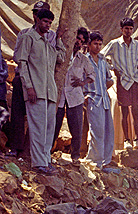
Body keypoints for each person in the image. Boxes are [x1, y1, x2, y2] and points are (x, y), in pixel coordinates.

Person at [16, 7, 65, 174]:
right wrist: (29, 87)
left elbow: (61, 57)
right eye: (45, 21)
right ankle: (38, 164)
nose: (47, 25)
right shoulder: (28, 38)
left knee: (49, 128)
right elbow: (22, 63)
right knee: (38, 127)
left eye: (50, 23)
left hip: (50, 92)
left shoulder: (46, 42)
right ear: (38, 20)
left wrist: (58, 39)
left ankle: (46, 161)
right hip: (35, 91)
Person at [9, 1, 56, 158]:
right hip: (23, 77)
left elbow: (54, 57)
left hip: (42, 80)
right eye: (37, 12)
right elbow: (18, 57)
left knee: (40, 118)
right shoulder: (25, 34)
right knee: (17, 112)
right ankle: (15, 147)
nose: (38, 15)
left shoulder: (52, 35)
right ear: (35, 16)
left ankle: (33, 152)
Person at [102, 17, 138, 150]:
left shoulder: (137, 44)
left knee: (136, 111)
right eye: (126, 28)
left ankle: (137, 139)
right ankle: (127, 140)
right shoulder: (115, 43)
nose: (128, 31)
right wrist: (112, 68)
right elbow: (102, 56)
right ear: (121, 29)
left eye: (131, 28)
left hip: (135, 80)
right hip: (123, 81)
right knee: (125, 111)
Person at [52, 27, 92, 165]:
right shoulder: (62, 53)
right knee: (54, 126)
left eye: (82, 41)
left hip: (75, 97)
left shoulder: (83, 59)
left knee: (76, 128)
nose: (78, 42)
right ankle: (48, 153)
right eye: (77, 38)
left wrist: (82, 82)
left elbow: (92, 76)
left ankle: (75, 157)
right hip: (59, 96)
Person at [84, 31, 115, 171]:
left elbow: (109, 80)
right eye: (95, 43)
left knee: (108, 131)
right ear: (89, 44)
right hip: (93, 99)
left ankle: (106, 160)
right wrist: (85, 95)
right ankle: (95, 160)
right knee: (97, 131)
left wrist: (103, 86)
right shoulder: (84, 60)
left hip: (105, 99)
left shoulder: (103, 61)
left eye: (99, 44)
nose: (97, 46)